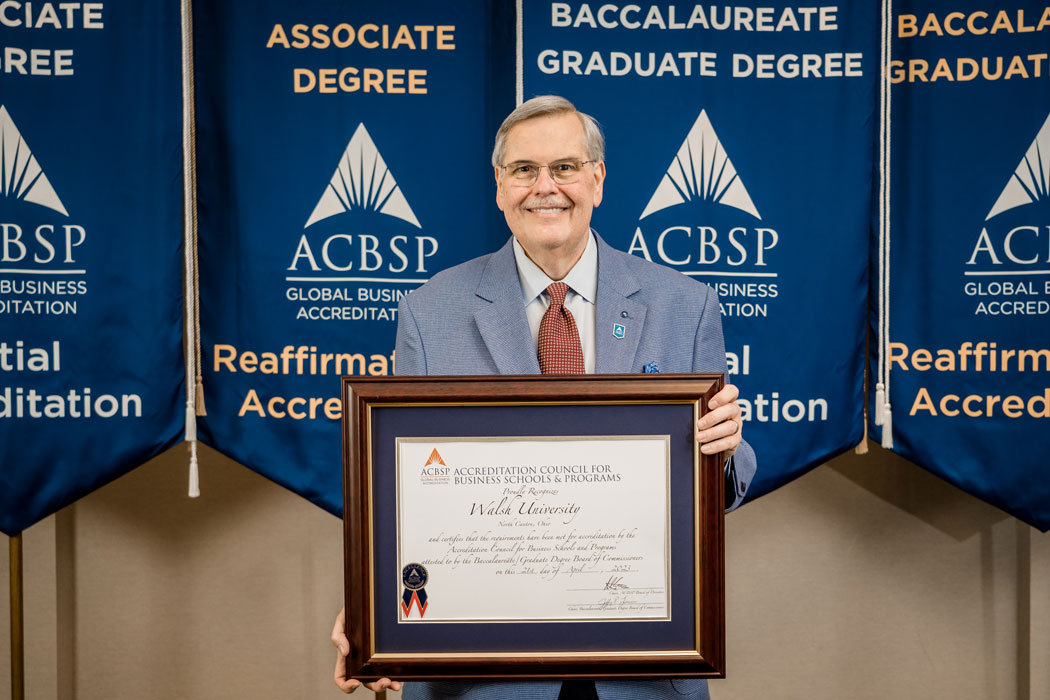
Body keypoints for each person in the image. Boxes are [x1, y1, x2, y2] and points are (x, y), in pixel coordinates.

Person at [332, 95, 756, 700]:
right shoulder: (429, 312)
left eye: (565, 167)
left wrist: (727, 446)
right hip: (480, 678)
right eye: (524, 170)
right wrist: (371, 607)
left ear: (597, 179)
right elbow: (399, 493)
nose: (545, 188)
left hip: (645, 669)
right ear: (500, 185)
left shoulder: (685, 307)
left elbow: (720, 488)